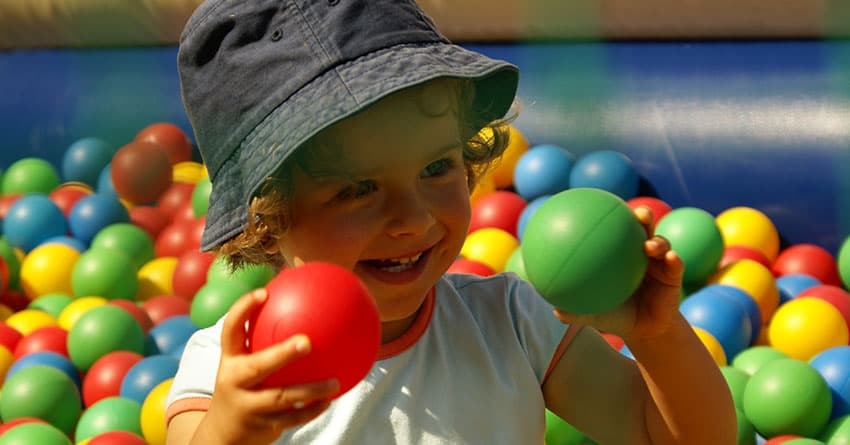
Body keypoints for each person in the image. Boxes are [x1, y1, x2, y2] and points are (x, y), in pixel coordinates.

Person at [165, 0, 737, 444]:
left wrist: (657, 337)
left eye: (437, 166)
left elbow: (674, 435)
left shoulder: (511, 324)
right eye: (357, 189)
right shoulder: (232, 368)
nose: (412, 219)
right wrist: (231, 430)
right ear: (267, 216)